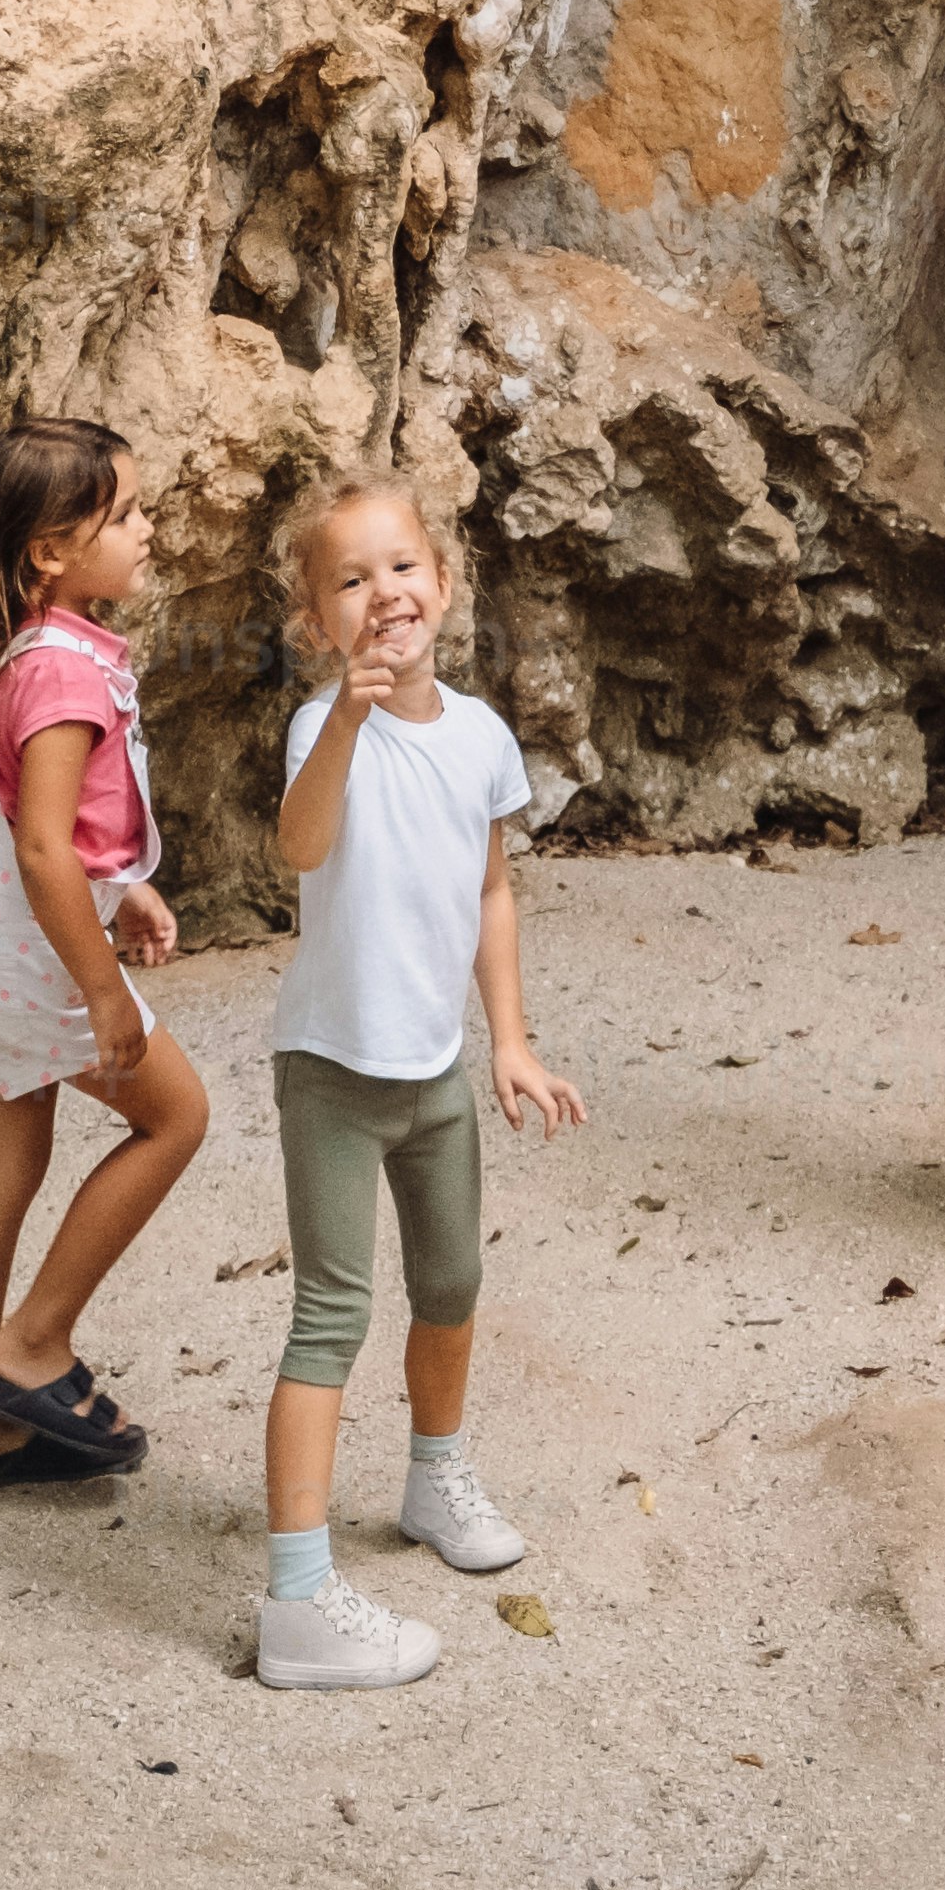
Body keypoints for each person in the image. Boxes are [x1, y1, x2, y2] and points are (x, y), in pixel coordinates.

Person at [254, 481, 582, 1693]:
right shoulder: (320, 728)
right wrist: (344, 719)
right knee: (331, 1316)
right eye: (349, 581)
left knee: (450, 1285)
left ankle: (431, 1478)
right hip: (333, 1076)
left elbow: (490, 889)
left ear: (442, 585)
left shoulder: (484, 737)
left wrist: (509, 1040)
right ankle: (295, 1598)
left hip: (434, 1071)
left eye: (400, 568)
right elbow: (298, 845)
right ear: (316, 619)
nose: (381, 593)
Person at [0, 417, 207, 1485]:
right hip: (36, 962)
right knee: (176, 1118)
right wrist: (104, 990)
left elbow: (31, 829)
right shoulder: (63, 676)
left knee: (6, 1171)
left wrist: (123, 884)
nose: (145, 529)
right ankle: (33, 1344)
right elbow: (43, 848)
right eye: (123, 514)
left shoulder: (23, 645)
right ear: (48, 551)